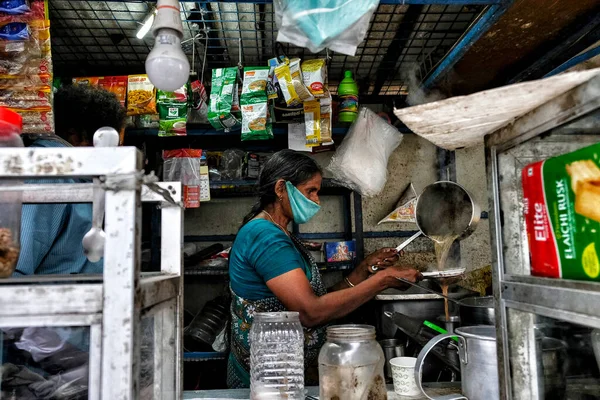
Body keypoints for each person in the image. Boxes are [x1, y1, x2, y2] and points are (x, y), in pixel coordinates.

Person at [227, 150, 422, 388]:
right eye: (311, 190)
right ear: (280, 189)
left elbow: (316, 298)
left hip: (286, 374)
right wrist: (384, 280)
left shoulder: (279, 232)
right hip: (268, 380)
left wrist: (363, 271)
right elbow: (310, 312)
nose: (317, 200)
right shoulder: (265, 236)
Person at [15, 84, 126, 275]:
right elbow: (17, 264)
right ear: (75, 134)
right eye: (109, 143)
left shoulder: (83, 178)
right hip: (50, 300)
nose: (112, 153)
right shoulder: (45, 173)